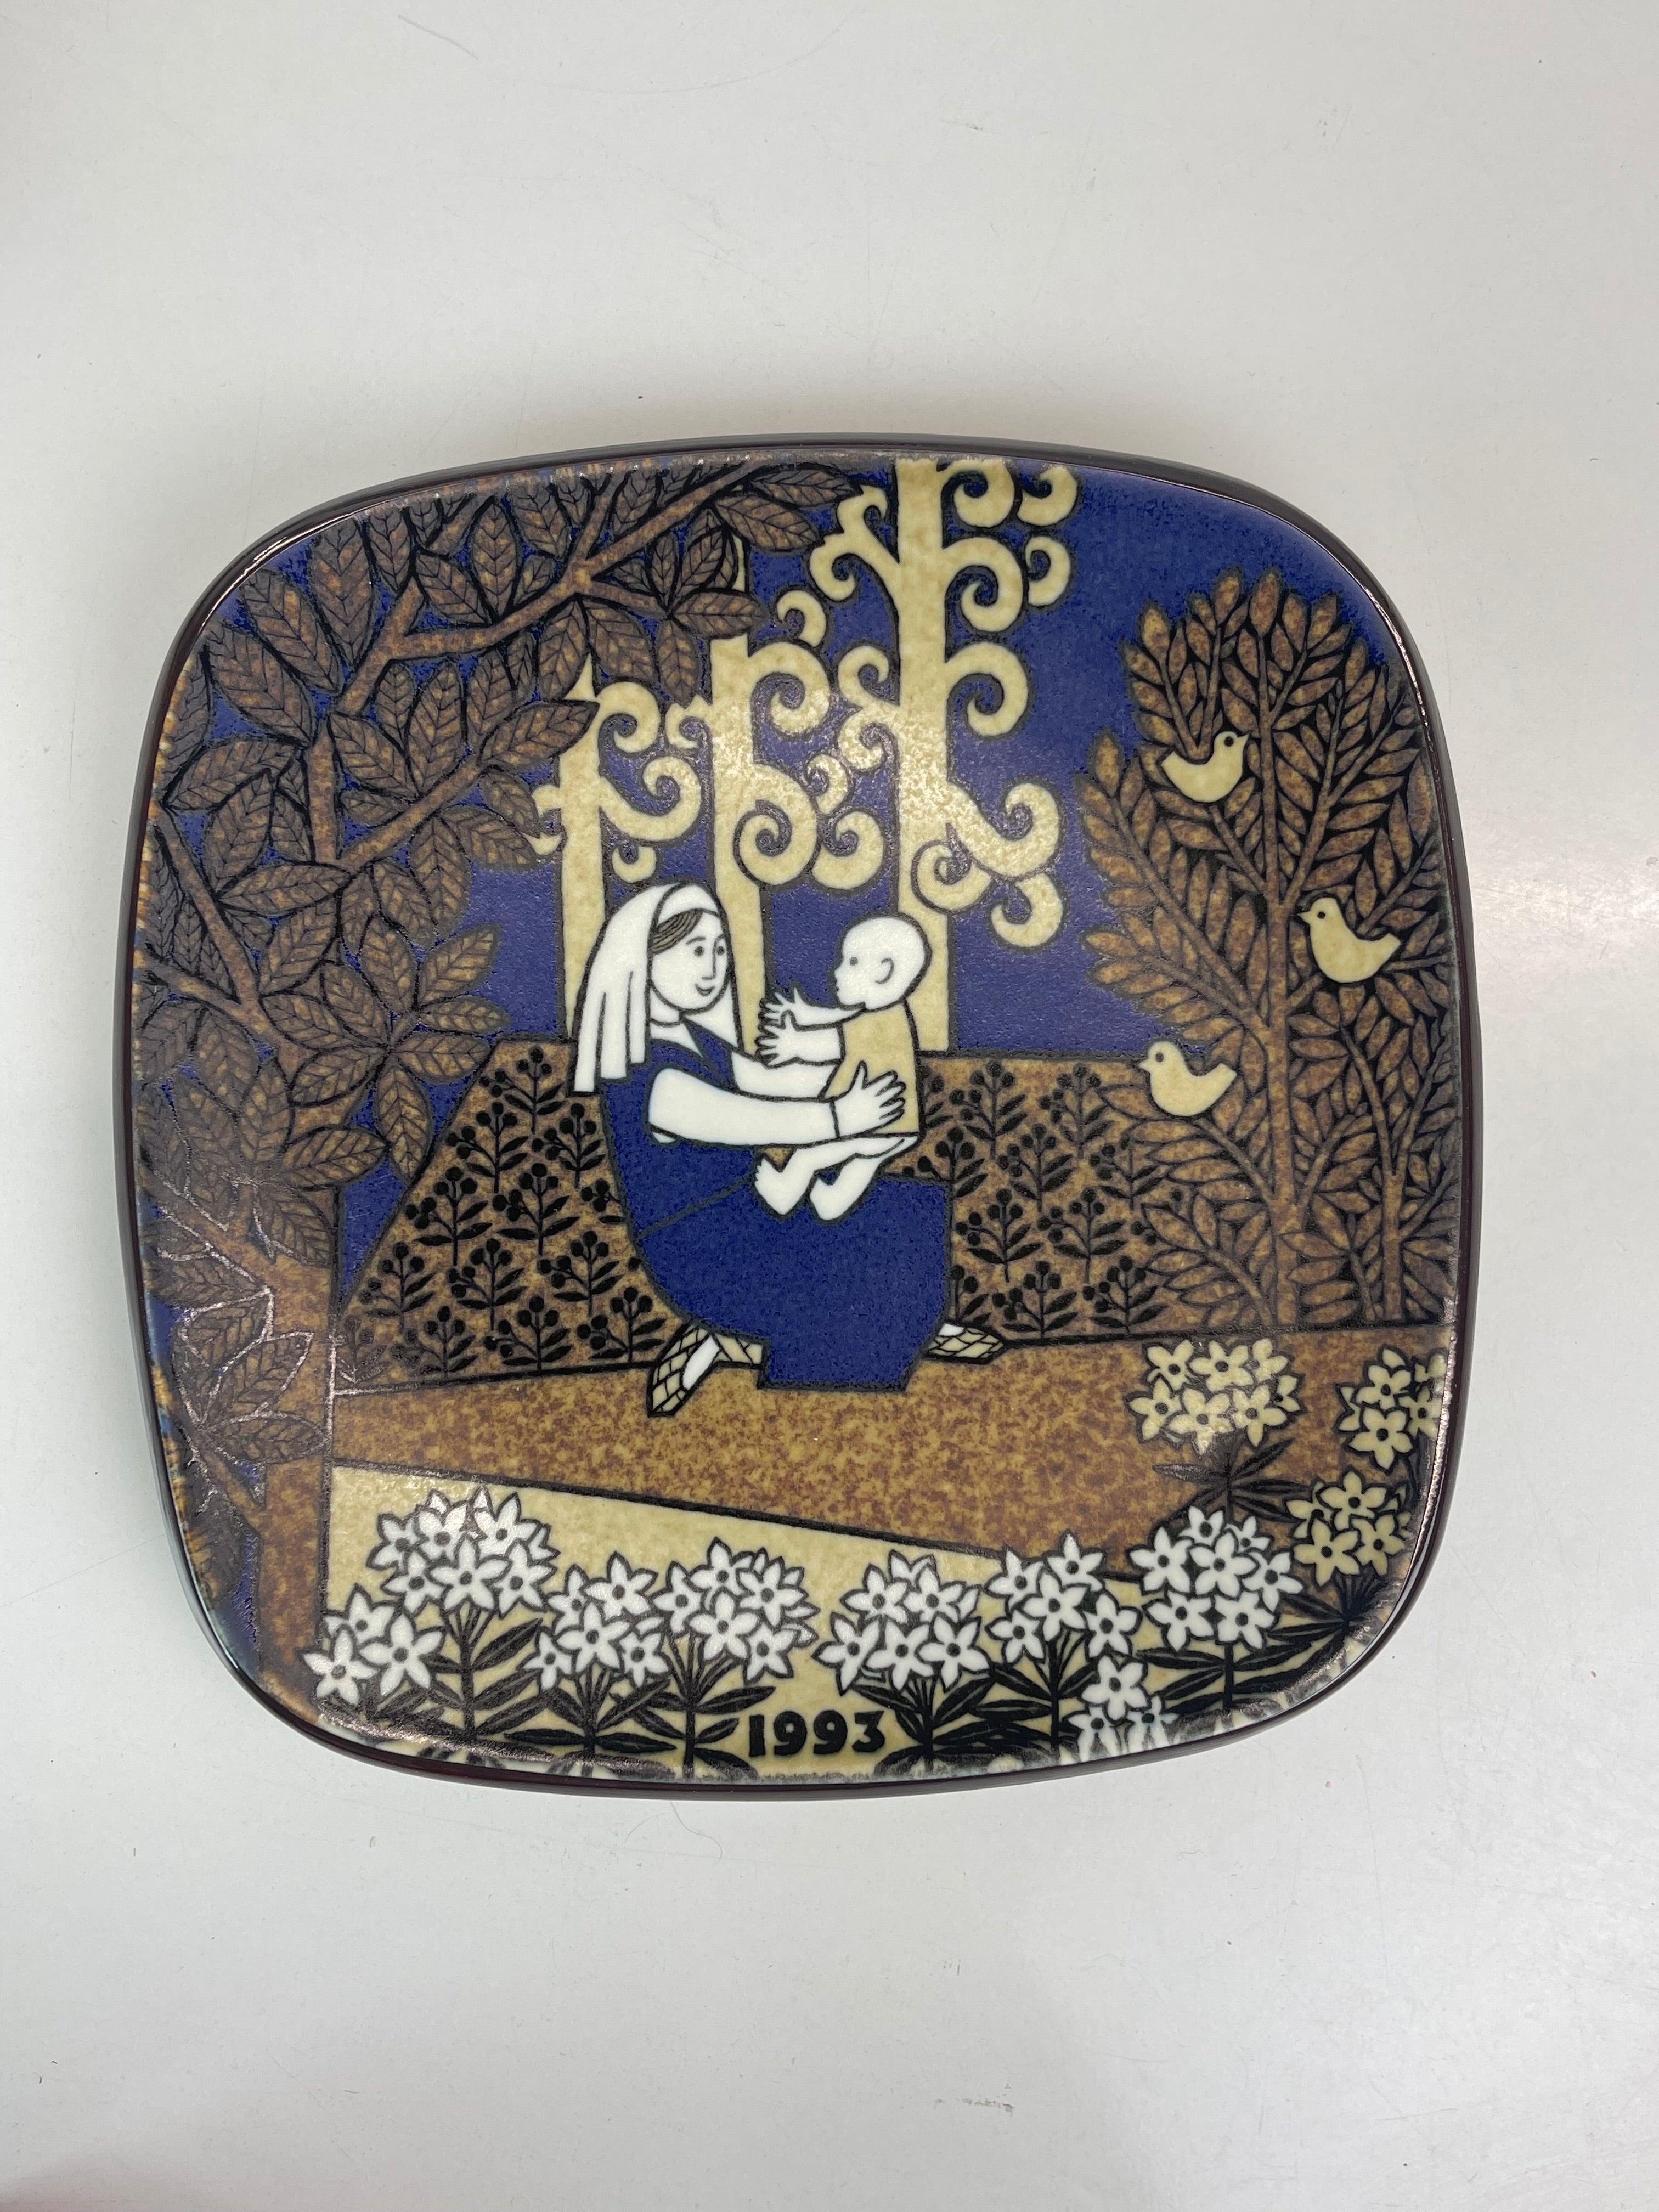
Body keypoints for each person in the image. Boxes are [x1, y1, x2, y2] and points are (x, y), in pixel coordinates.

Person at [572, 881, 996, 1414]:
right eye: (695, 950)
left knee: (903, 1209)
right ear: (644, 959)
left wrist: (865, 1056)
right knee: (836, 1294)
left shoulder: (698, 1040)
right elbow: (754, 1119)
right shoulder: (646, 1076)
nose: (713, 966)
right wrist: (843, 1116)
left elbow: (774, 1083)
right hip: (707, 1246)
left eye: (720, 950)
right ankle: (763, 1357)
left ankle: (916, 1325)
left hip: (756, 1210)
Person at [753, 913, 929, 1222]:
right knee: (861, 1164)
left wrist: (793, 1044)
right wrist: (806, 1015)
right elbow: (845, 1020)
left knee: (809, 1155)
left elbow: (832, 1042)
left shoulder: (877, 1025)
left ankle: (781, 1195)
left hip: (871, 1121)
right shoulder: (892, 1014)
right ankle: (832, 1202)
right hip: (901, 1125)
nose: (838, 971)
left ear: (884, 972)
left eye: (853, 962)